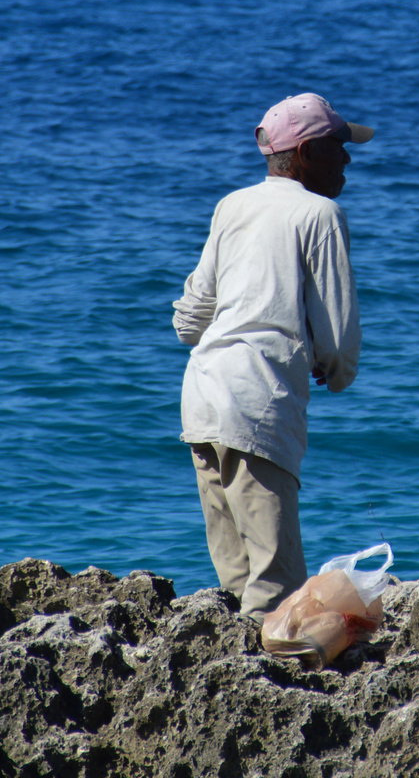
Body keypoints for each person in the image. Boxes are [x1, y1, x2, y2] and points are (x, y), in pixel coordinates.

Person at [171, 93, 373, 620]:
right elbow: (338, 333)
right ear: (306, 153)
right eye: (338, 147)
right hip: (258, 403)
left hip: (202, 397)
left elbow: (191, 316)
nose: (347, 158)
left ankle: (237, 678)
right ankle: (280, 684)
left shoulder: (232, 205)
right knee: (276, 586)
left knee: (236, 576)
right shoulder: (321, 214)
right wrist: (337, 373)